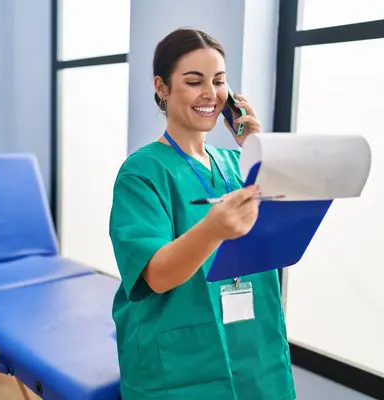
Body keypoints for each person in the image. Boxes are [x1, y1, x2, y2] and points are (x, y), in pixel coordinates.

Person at [109, 28, 296, 399]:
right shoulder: (141, 172)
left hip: (252, 344)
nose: (211, 94)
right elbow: (157, 275)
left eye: (219, 81)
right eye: (194, 82)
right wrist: (212, 230)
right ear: (162, 87)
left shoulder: (238, 163)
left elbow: (282, 226)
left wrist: (256, 146)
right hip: (179, 354)